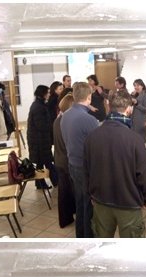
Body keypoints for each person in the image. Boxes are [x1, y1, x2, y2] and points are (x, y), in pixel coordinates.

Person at [84, 89, 146, 238]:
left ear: (109, 106)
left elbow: (86, 170)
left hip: (100, 200)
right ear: (129, 109)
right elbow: (144, 173)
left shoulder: (92, 136)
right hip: (129, 203)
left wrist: (91, 193)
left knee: (102, 245)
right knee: (130, 249)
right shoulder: (135, 140)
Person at [60, 81, 100, 238]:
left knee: (80, 202)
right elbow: (98, 146)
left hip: (72, 164)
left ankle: (80, 235)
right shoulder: (88, 119)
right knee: (89, 205)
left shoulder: (65, 115)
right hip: (85, 167)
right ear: (89, 97)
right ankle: (88, 238)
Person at [53, 93, 77, 228]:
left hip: (59, 159)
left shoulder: (58, 120)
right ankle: (66, 218)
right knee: (66, 192)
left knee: (65, 191)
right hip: (66, 160)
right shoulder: (66, 122)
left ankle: (67, 217)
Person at [27, 84, 55, 189]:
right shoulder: (38, 107)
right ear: (43, 94)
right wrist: (52, 126)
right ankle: (46, 182)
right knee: (42, 162)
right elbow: (41, 125)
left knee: (43, 162)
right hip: (38, 141)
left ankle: (43, 183)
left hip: (39, 140)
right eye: (48, 93)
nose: (49, 94)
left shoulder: (39, 104)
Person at [130, 78, 146, 143]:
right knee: (133, 139)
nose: (136, 87)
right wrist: (131, 95)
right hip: (133, 120)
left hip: (140, 121)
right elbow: (129, 104)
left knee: (140, 140)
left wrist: (137, 103)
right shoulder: (136, 94)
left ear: (142, 86)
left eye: (138, 85)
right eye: (135, 86)